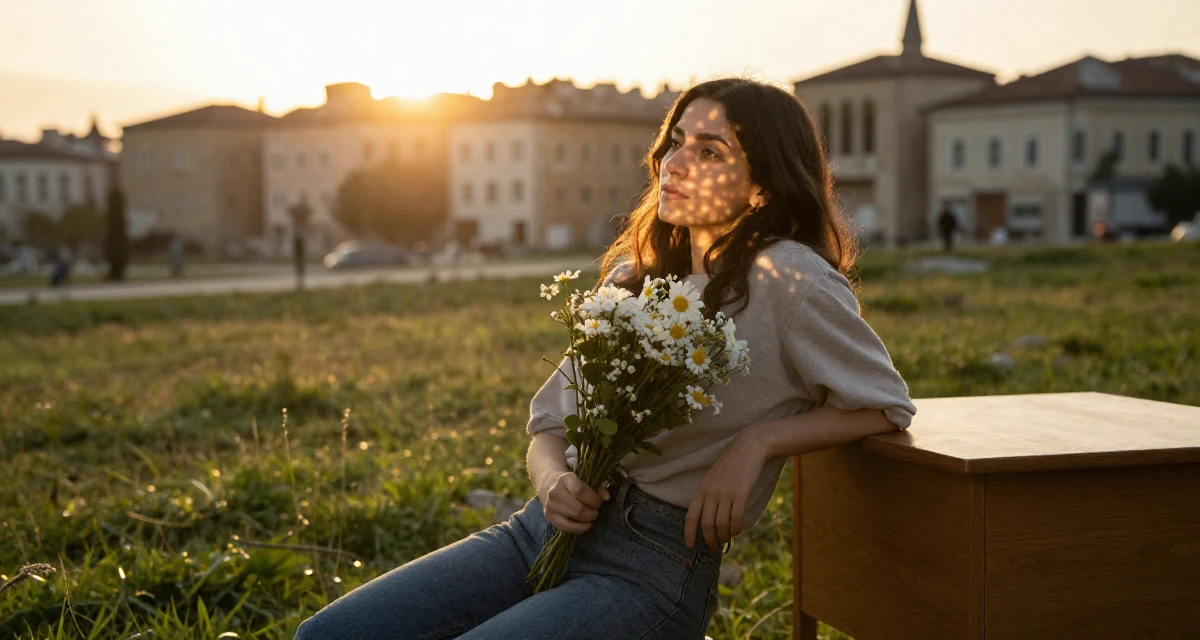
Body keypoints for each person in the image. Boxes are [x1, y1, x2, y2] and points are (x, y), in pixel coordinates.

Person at [295, 78, 918, 640]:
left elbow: (884, 404)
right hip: (539, 532)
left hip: (651, 566)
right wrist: (553, 483)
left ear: (762, 187)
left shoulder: (792, 280)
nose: (675, 163)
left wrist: (759, 442)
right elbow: (549, 425)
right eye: (676, 142)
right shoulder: (633, 279)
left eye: (710, 152)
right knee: (327, 635)